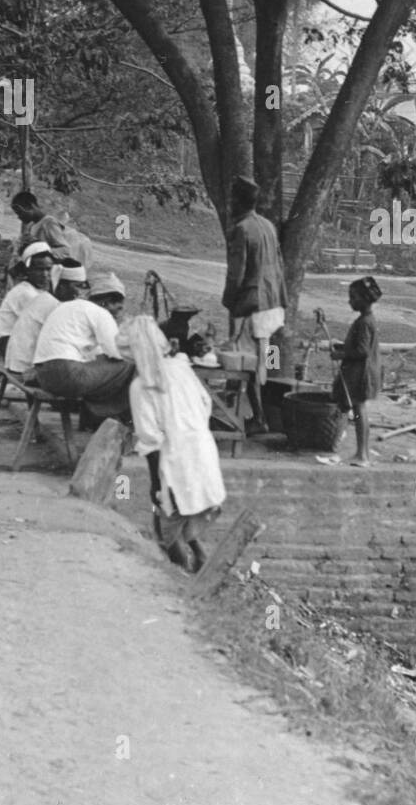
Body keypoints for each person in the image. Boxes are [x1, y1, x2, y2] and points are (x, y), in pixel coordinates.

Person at [125, 315, 226, 573]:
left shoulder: (140, 386)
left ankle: (182, 576)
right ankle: (202, 559)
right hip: (202, 449)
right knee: (186, 513)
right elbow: (206, 404)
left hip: (174, 460)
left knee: (166, 527)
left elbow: (150, 440)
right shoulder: (182, 368)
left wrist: (156, 485)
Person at [221, 175, 287, 432]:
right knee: (262, 361)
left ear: (237, 201)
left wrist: (229, 302)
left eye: (231, 200)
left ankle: (258, 419)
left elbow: (236, 274)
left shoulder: (242, 230)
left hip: (253, 306)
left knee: (247, 363)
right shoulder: (268, 226)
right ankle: (257, 415)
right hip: (273, 305)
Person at [32, 270, 135, 420]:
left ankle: (98, 414)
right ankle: (115, 415)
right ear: (106, 302)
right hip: (67, 376)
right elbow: (117, 352)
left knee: (107, 363)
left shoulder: (69, 306)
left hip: (45, 376)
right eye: (118, 307)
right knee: (130, 363)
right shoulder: (100, 313)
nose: (119, 312)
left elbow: (94, 350)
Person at [331, 276, 382, 467]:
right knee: (359, 411)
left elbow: (362, 351)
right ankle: (362, 453)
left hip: (362, 374)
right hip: (362, 371)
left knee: (359, 411)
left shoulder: (364, 323)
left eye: (353, 297)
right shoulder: (366, 320)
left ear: (363, 299)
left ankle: (362, 455)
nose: (350, 301)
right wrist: (343, 346)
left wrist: (341, 354)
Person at [4, 258, 80, 378]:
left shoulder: (45, 298)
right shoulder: (53, 306)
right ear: (61, 286)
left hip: (18, 362)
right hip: (25, 367)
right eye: (77, 286)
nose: (79, 293)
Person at [10, 191, 95, 277]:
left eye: (20, 212)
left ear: (30, 206)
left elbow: (65, 250)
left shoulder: (49, 224)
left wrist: (39, 251)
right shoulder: (32, 226)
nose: (19, 217)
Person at [0, 241, 54, 358]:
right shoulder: (25, 293)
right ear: (28, 270)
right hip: (10, 344)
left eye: (48, 269)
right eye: (39, 269)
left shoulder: (39, 291)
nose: (45, 274)